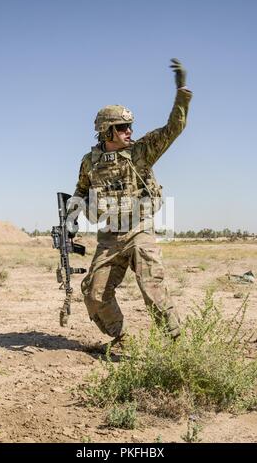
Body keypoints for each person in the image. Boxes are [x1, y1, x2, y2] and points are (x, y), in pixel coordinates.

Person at [66, 59, 192, 346]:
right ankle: (121, 338)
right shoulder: (89, 162)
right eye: (122, 127)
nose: (129, 132)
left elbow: (175, 127)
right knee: (94, 293)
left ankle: (177, 345)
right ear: (107, 131)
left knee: (152, 287)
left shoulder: (142, 152)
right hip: (109, 237)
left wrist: (182, 93)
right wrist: (70, 220)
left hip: (139, 231)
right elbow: (80, 191)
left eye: (130, 126)